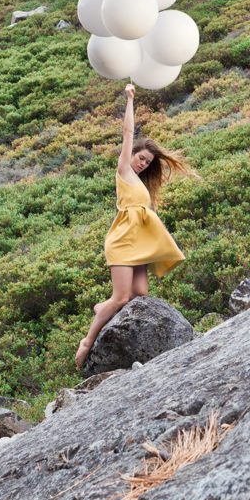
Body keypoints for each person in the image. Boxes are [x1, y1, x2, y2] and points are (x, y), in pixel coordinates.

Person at [75, 83, 195, 368]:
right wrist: (130, 100)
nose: (142, 164)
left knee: (140, 294)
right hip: (122, 240)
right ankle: (87, 341)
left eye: (148, 162)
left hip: (138, 241)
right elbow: (128, 133)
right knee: (121, 298)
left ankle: (103, 307)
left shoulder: (140, 183)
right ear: (132, 156)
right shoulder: (124, 170)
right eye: (141, 158)